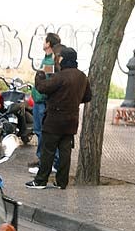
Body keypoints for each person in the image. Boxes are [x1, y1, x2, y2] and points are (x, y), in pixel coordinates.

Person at [25, 46, 91, 190]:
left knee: (48, 151)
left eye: (60, 58)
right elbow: (88, 96)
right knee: (65, 152)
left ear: (64, 59)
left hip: (54, 120)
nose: (58, 60)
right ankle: (62, 182)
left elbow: (42, 87)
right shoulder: (82, 76)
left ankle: (41, 180)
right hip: (71, 120)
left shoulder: (61, 76)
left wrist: (40, 74)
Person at [29, 33, 61, 174]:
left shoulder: (52, 60)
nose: (43, 43)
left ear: (48, 44)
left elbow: (50, 74)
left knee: (43, 132)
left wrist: (41, 72)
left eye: (44, 41)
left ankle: (48, 161)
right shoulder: (47, 58)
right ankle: (43, 159)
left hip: (42, 101)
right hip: (38, 100)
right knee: (39, 131)